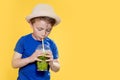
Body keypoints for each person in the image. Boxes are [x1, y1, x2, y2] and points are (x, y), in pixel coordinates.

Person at [12, 4, 61, 80]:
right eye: (40, 29)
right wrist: (31, 58)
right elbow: (14, 63)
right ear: (31, 24)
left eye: (48, 30)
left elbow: (57, 68)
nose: (44, 33)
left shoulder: (51, 44)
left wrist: (51, 63)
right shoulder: (24, 40)